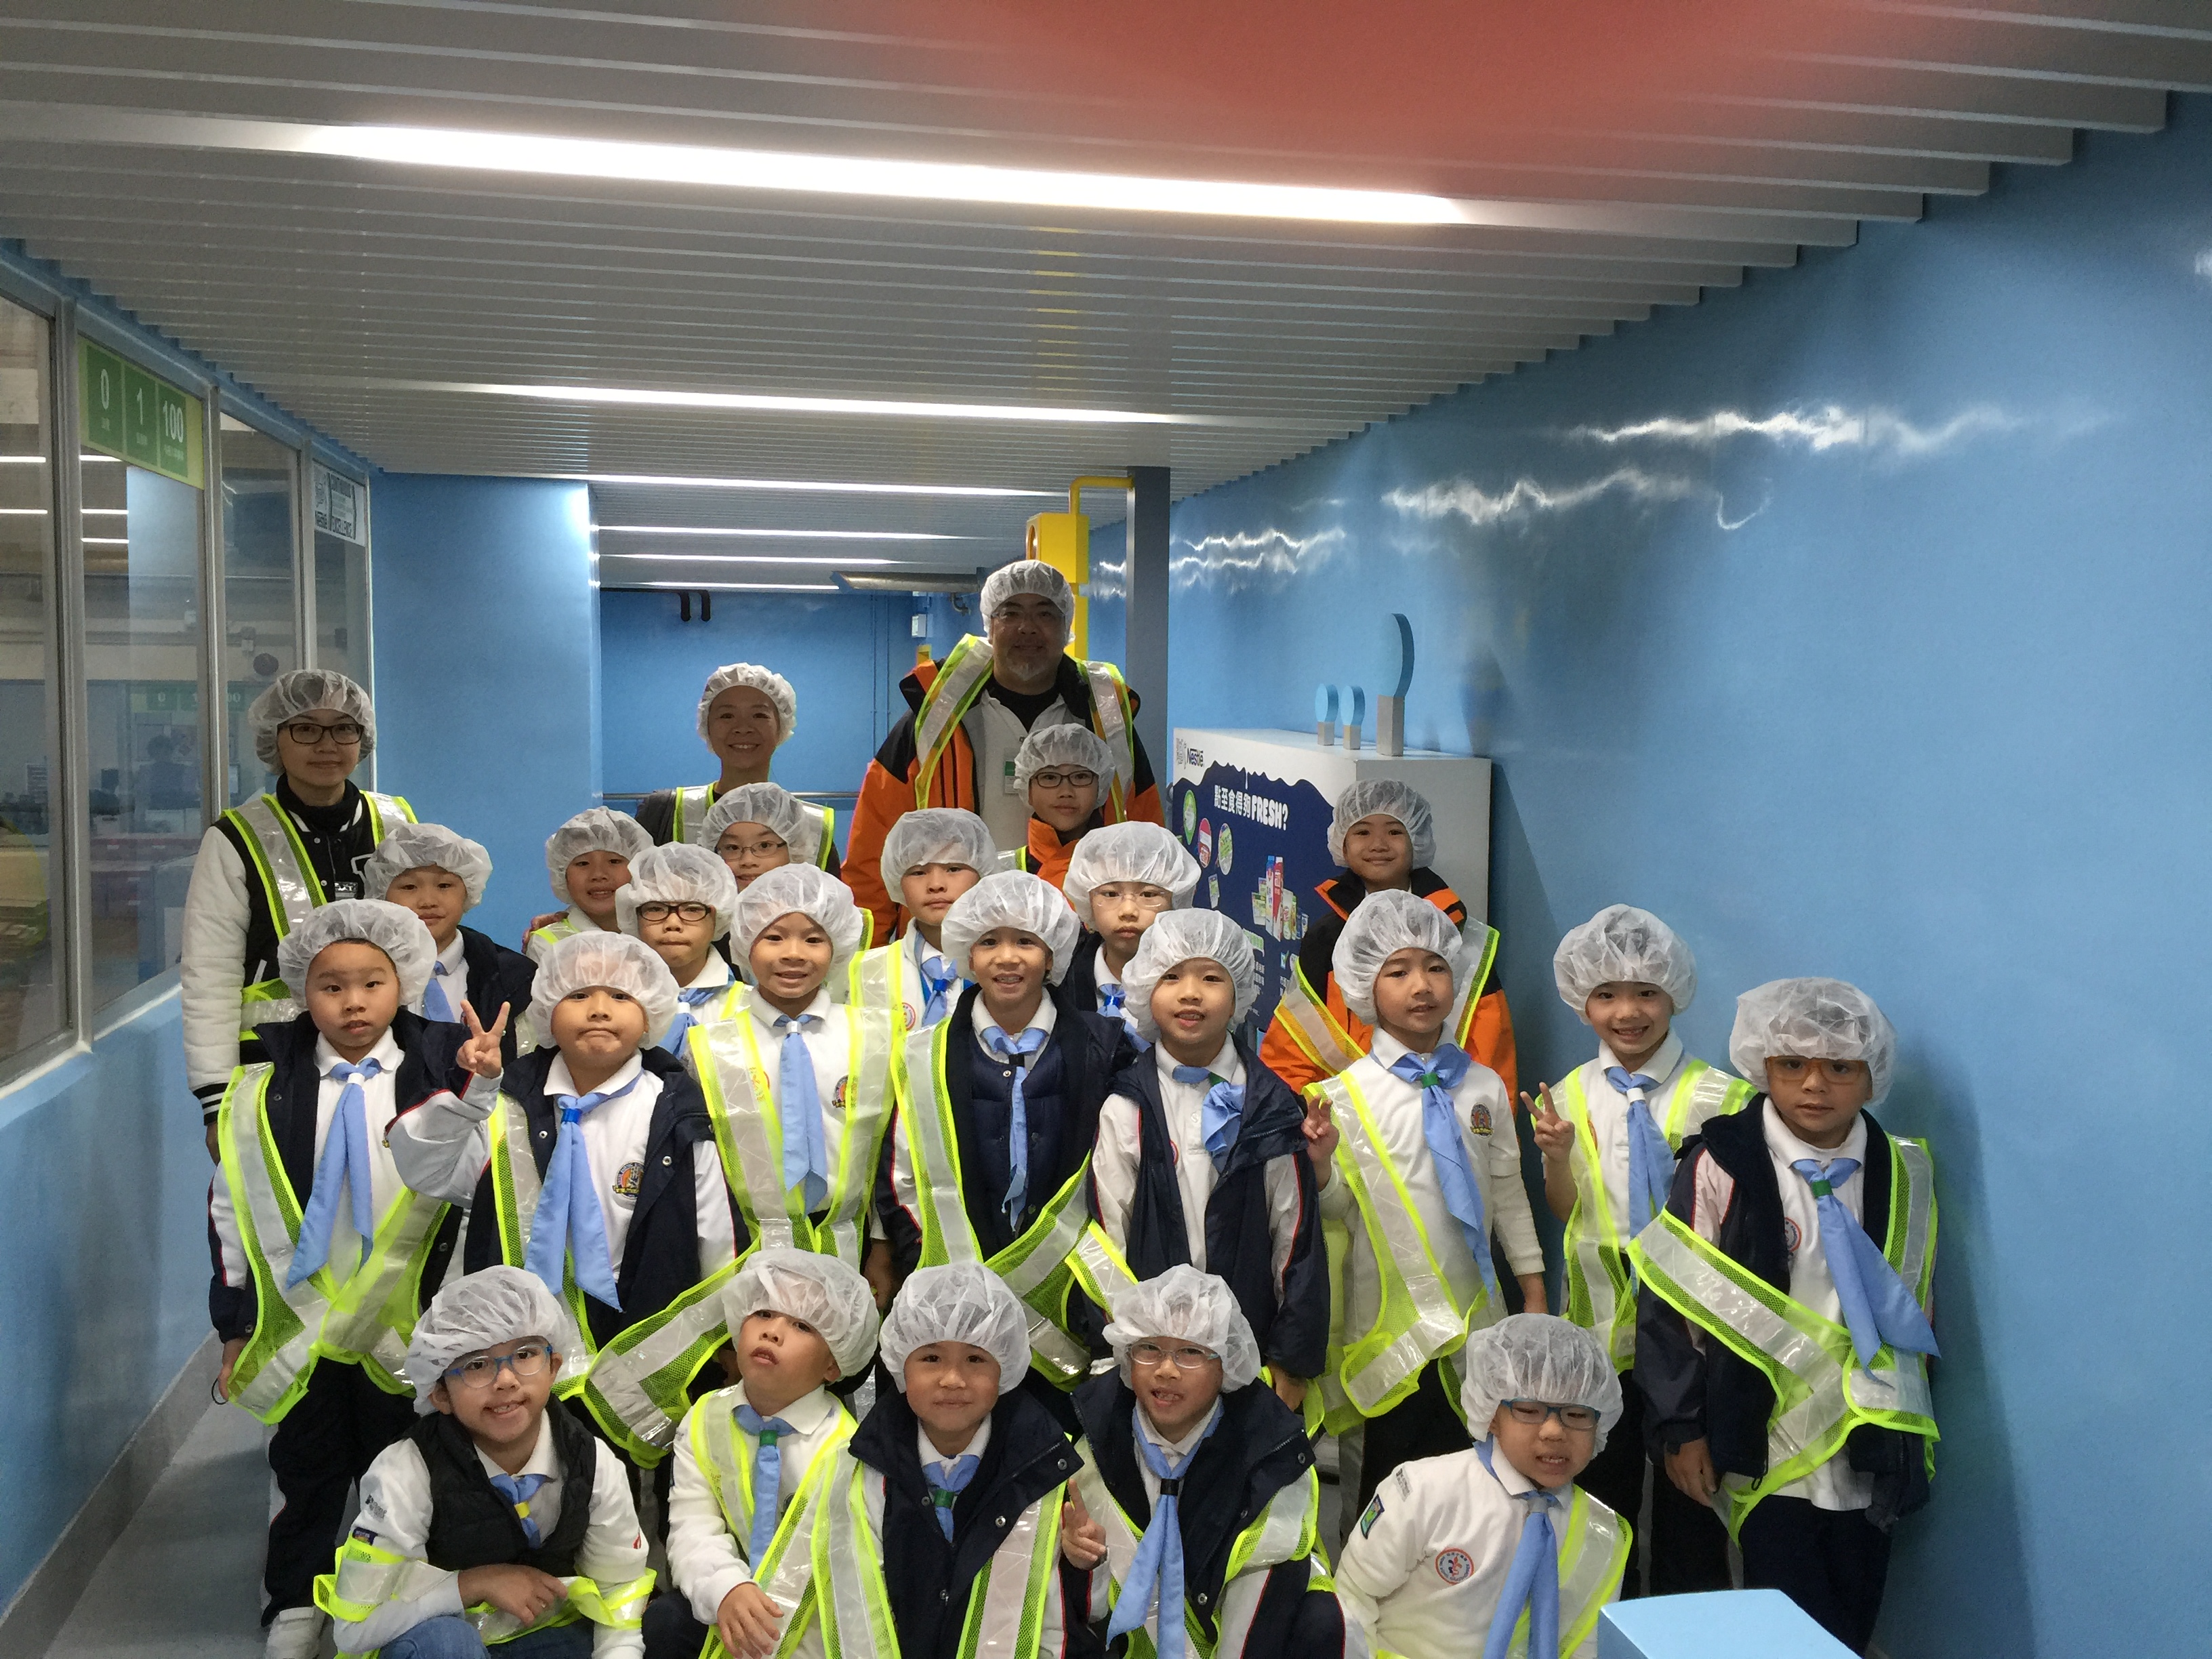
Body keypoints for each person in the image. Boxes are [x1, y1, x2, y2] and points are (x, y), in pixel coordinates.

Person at [207, 899, 490, 1659]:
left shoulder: (441, 1072)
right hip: (305, 1322)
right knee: (304, 1466)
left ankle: (391, 1599)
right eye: (332, 987)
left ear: (405, 984)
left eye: (373, 983)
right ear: (303, 990)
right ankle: (295, 1600)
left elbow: (477, 1200)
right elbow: (232, 1212)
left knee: (408, 1468)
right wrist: (235, 1325)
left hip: (409, 1322)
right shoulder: (265, 1087)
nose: (354, 1002)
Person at [1631, 979, 1938, 1656]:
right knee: (1771, 1626)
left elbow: (1918, 1308)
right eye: (1792, 1064)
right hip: (1758, 1440)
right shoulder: (1720, 1163)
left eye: (1841, 1067)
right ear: (1761, 1064)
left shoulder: (1904, 1171)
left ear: (1872, 1076)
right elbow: (1670, 1300)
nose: (1815, 1085)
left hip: (1864, 1445)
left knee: (1849, 1622)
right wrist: (1681, 1426)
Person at [388, 932, 741, 1469]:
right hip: (519, 1346)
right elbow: (429, 1170)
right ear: (546, 1013)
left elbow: (714, 1234)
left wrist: (723, 1340)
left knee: (634, 1475)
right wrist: (474, 1092)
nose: (599, 1009)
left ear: (651, 1016)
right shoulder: (504, 1102)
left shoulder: (678, 1112)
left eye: (620, 996)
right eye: (578, 995)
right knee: (529, 1475)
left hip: (640, 1327)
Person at [1519, 905, 1749, 1599]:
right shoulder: (1568, 1094)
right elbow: (1569, 1212)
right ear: (1582, 1002)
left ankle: (1683, 1624)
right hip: (1599, 1336)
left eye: (1646, 992)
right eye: (1606, 995)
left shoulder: (1725, 1099)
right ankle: (1606, 1619)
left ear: (1674, 993)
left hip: (1690, 1337)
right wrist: (1555, 1157)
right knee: (1603, 1496)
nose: (1628, 1012)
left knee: (1692, 1500)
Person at [1300, 890, 1546, 1516]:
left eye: (1436, 967)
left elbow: (1508, 1191)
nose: (1422, 985)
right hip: (1390, 1332)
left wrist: (1534, 1291)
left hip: (1478, 1322)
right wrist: (1321, 1167)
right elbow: (1335, 1214)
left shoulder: (1482, 1085)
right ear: (1365, 986)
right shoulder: (1344, 1097)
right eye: (1398, 971)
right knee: (1384, 1492)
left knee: (1475, 1485)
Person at [872, 872, 1134, 1402]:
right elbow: (901, 1174)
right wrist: (925, 1256)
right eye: (989, 942)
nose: (1007, 958)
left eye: (1026, 942)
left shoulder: (1105, 1047)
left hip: (1071, 1289)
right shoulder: (924, 1054)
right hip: (955, 1289)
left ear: (1053, 955)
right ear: (967, 955)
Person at [317, 1267, 655, 1659]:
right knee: (446, 1644)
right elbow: (353, 1631)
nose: (506, 1380)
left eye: (525, 1355)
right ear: (441, 1396)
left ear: (554, 1368)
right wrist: (472, 1584)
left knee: (655, 1629)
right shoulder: (405, 1474)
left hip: (546, 1636)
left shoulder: (592, 1463)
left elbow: (618, 1596)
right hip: (441, 1639)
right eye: (476, 1364)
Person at [845, 560, 1163, 944]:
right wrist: (865, 953)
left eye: (1045, 613)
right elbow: (873, 848)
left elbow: (1147, 842)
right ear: (989, 625)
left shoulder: (1106, 719)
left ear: (1066, 626)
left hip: (1079, 935)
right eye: (1011, 613)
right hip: (952, 935)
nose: (1027, 627)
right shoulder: (934, 719)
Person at [1089, 911, 1326, 1412]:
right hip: (1153, 1353)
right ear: (1145, 990)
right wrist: (1122, 1344)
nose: (1191, 993)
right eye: (1171, 977)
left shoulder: (1271, 1105)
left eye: (1212, 978)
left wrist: (1292, 1359)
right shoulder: (1126, 1107)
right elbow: (1108, 1234)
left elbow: (1295, 1236)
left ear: (1240, 994)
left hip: (1251, 1346)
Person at [182, 668, 415, 1151]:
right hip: (275, 1067)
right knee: (286, 1194)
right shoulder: (235, 839)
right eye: (306, 729)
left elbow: (436, 938)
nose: (327, 744)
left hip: (391, 1059)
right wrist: (215, 1100)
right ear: (275, 739)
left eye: (344, 728)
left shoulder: (399, 824)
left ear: (363, 739)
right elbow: (210, 974)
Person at [812, 1262, 1092, 1659]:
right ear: (899, 1366)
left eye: (976, 1359)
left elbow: (1059, 1619)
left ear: (1007, 1369)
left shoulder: (1046, 1469)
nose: (953, 1379)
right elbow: (847, 1601)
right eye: (931, 1358)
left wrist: (1083, 1562)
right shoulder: (862, 1472)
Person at [1065, 1266, 1348, 1659]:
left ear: (1227, 1365)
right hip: (1130, 1640)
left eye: (1191, 1352)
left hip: (1225, 1633)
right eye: (1149, 1348)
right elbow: (1086, 1611)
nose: (1166, 1370)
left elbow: (1258, 1603)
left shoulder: (1267, 1454)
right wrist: (1084, 1563)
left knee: (1321, 1620)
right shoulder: (1096, 1443)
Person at [1335, 1315, 1630, 1659]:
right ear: (1491, 1414)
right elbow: (1352, 1600)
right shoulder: (1424, 1491)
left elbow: (1585, 1645)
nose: (1554, 1431)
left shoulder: (1603, 1534)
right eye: (1529, 1409)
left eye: (1578, 1415)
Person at [649, 1248, 881, 1659]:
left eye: (802, 1325)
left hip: (816, 1625)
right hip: (731, 1605)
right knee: (664, 1622)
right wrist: (726, 1588)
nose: (773, 1332)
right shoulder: (705, 1418)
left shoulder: (852, 1450)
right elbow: (692, 1526)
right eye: (763, 1314)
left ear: (833, 1365)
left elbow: (853, 1579)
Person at [1259, 780, 1517, 1103]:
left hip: (1451, 1103)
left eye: (1394, 831)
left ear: (1417, 840)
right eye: (1362, 832)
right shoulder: (1326, 939)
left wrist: (1484, 1113)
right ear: (1342, 844)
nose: (1379, 844)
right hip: (1348, 1115)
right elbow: (1294, 1046)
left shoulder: (1456, 933)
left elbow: (1490, 1044)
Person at [688, 865, 890, 1271]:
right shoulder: (710, 1045)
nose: (793, 953)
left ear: (838, 947)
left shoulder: (877, 1035)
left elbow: (893, 1152)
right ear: (745, 944)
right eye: (774, 937)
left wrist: (883, 1248)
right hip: (745, 1247)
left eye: (814, 939)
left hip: (853, 1241)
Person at [365, 822, 536, 1071]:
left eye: (444, 886)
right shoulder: (361, 977)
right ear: (383, 894)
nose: (428, 901)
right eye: (409, 887)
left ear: (468, 891)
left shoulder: (515, 975)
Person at [635, 665, 835, 866]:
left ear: (781, 726)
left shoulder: (814, 826)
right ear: (707, 726)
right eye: (727, 716)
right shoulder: (662, 813)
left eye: (759, 715)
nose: (743, 728)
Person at [844, 807, 995, 1031]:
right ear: (896, 879)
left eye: (954, 868)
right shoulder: (864, 971)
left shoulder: (1006, 967)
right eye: (918, 872)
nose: (936, 884)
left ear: (982, 875)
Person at [1058, 819, 1200, 1036]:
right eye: (1110, 894)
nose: (1128, 910)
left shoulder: (1194, 988)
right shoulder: (1059, 982)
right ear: (1087, 899)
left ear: (1176, 900)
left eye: (1149, 894)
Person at [613, 843, 748, 1050]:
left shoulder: (750, 1007)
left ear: (717, 916)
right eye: (655, 908)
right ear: (634, 916)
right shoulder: (613, 1006)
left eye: (692, 909)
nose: (673, 923)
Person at [527, 810, 653, 962]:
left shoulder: (660, 933)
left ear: (639, 869)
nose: (598, 874)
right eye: (583, 864)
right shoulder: (548, 944)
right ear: (563, 876)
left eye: (614, 861)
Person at [1005, 722, 1114, 889]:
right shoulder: (998, 872)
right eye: (1049, 777)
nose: (1066, 792)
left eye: (1081, 776)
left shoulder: (1124, 871)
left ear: (1101, 787)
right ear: (1027, 789)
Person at [701, 780, 842, 886]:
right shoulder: (704, 916)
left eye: (764, 846)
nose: (748, 861)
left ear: (795, 849)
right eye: (732, 848)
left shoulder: (817, 916)